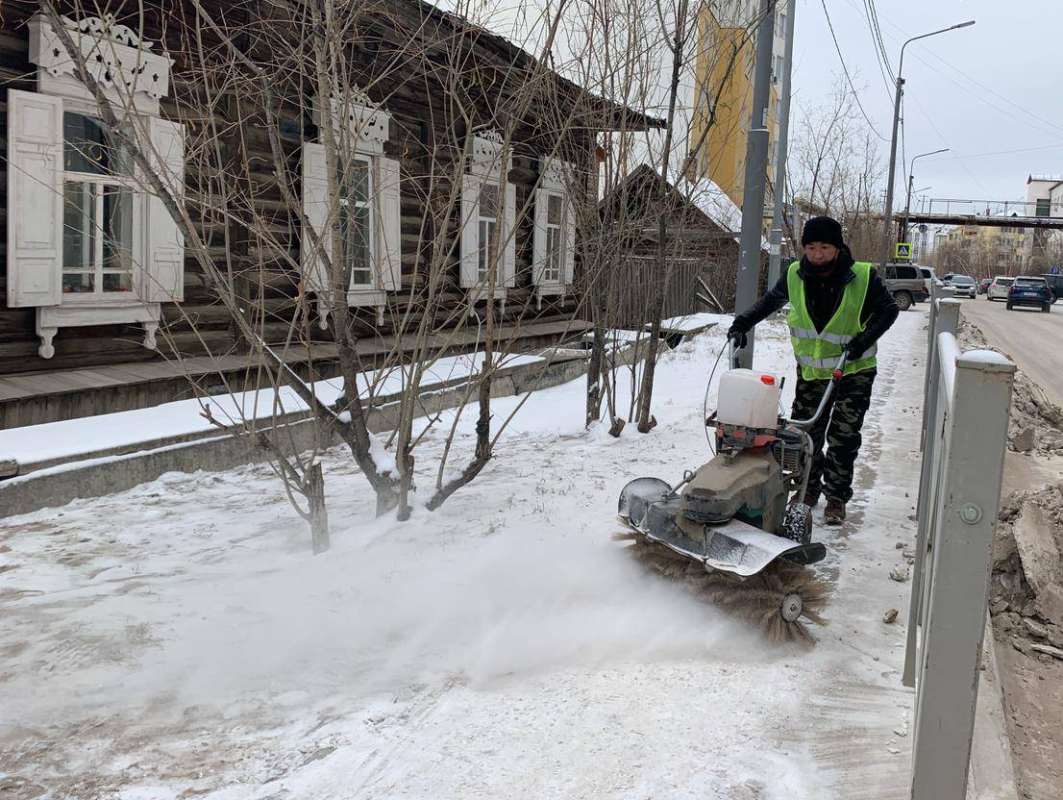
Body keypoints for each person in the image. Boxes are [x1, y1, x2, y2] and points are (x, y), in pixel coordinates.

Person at [727, 216, 899, 525]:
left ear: (837, 247)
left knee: (843, 436)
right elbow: (770, 301)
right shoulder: (795, 273)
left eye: (824, 247)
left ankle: (836, 498)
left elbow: (889, 311)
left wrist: (861, 342)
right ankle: (808, 490)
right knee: (807, 434)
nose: (817, 255)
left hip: (854, 370)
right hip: (812, 372)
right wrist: (743, 323)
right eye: (811, 247)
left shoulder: (862, 276)